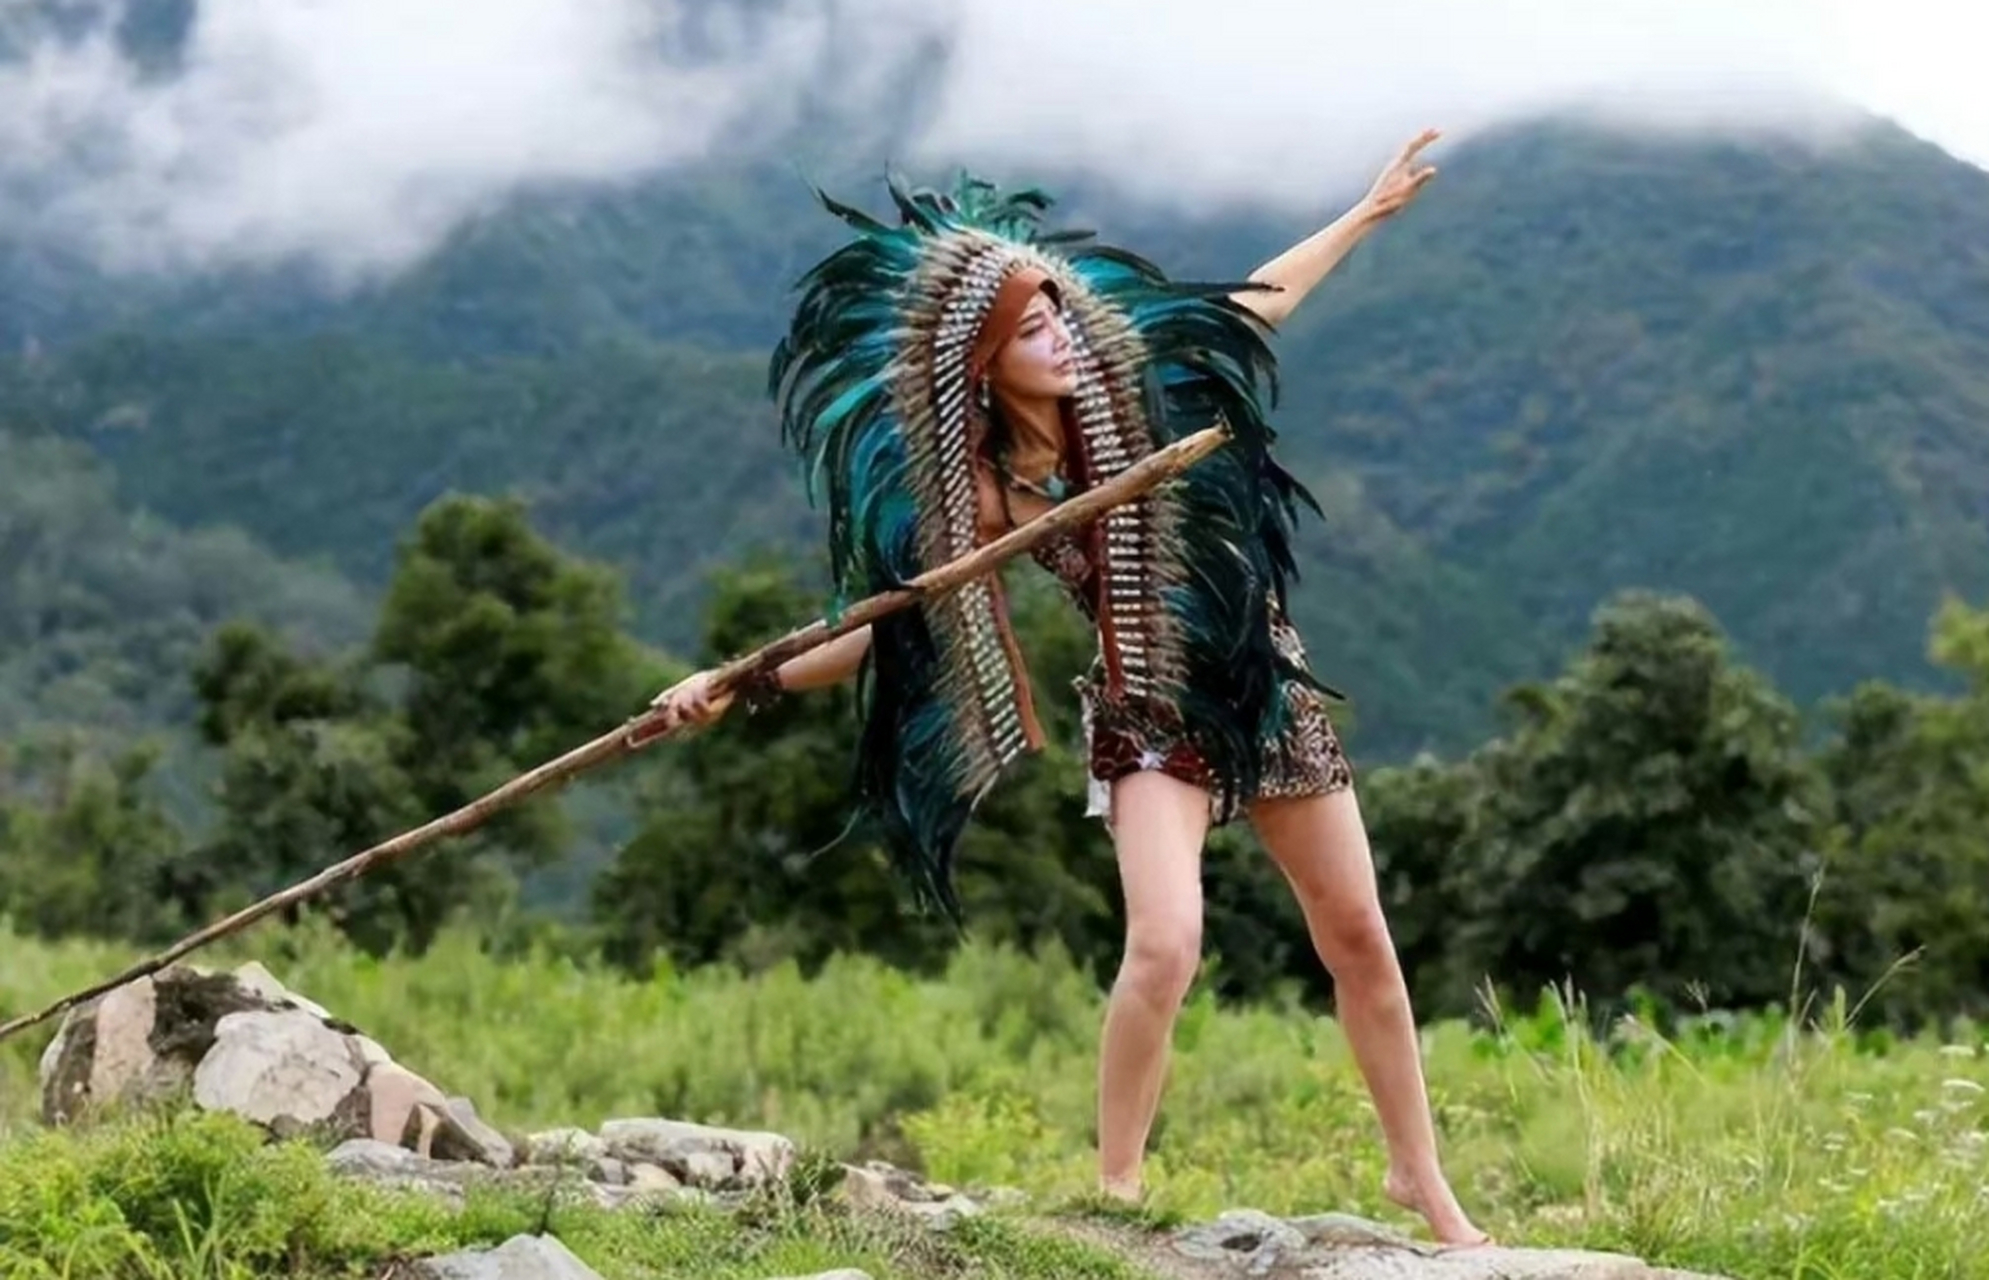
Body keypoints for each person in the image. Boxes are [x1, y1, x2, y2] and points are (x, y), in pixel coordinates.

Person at [650, 129, 1489, 1248]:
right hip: (1148, 721)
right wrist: (732, 682)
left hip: (1262, 692)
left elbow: (1258, 300)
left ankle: (1420, 1178)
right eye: (1032, 327)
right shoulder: (996, 493)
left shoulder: (1133, 380)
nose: (1058, 334)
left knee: (1359, 938)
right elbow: (877, 629)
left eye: (1055, 315)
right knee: (1165, 943)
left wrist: (1365, 212)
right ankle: (1120, 1188)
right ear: (990, 361)